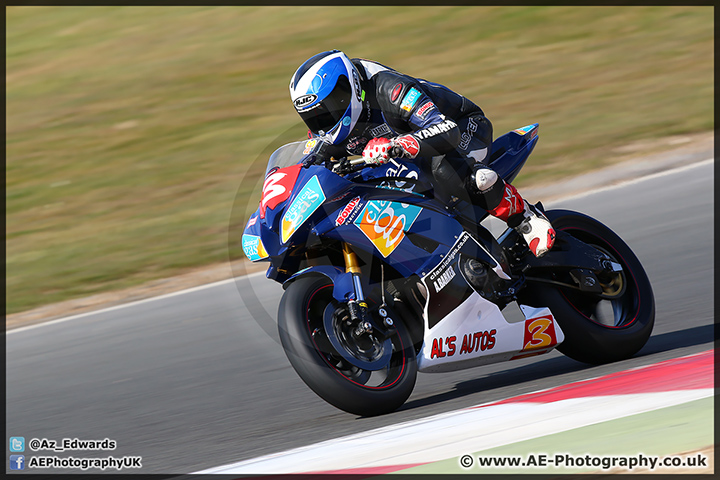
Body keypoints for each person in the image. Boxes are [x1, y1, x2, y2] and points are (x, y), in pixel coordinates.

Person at [289, 50, 555, 257]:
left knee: (443, 170)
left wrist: (398, 144)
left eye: (329, 109)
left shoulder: (390, 89)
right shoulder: (325, 132)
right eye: (314, 117)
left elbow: (445, 129)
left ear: (348, 88)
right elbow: (310, 164)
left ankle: (525, 218)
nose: (324, 121)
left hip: (463, 129)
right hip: (405, 157)